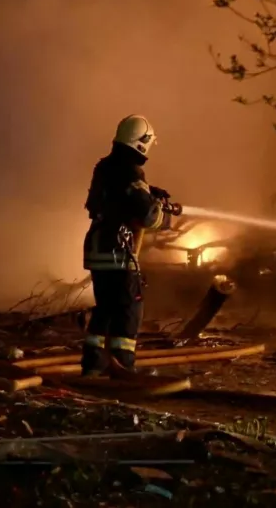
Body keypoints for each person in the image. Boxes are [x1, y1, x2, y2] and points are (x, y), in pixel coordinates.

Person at [81, 114, 182, 376]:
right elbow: (147, 216)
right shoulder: (131, 171)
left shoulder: (105, 168)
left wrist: (148, 190)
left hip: (98, 248)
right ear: (143, 142)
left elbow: (109, 200)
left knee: (105, 308)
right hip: (120, 251)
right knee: (129, 309)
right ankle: (123, 366)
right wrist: (164, 213)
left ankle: (94, 366)